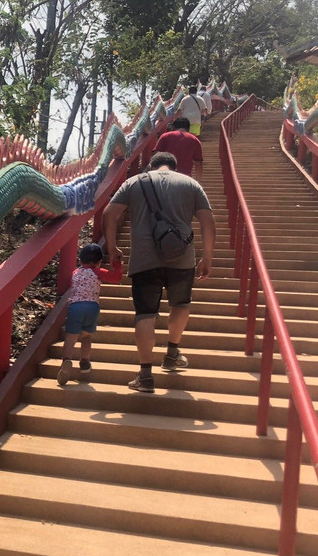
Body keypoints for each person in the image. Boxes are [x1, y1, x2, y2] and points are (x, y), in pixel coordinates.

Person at [101, 151, 215, 393]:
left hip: (144, 259)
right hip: (182, 258)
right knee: (181, 304)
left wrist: (112, 248)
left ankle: (145, 376)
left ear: (151, 166)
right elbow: (208, 221)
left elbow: (109, 213)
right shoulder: (191, 184)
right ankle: (172, 354)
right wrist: (207, 257)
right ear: (174, 166)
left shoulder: (134, 183)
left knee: (145, 314)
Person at [58, 242, 123, 385]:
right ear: (99, 261)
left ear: (80, 260)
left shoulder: (75, 273)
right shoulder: (98, 272)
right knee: (86, 336)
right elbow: (117, 278)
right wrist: (117, 264)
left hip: (75, 307)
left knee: (71, 336)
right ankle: (85, 362)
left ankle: (66, 360)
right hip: (92, 307)